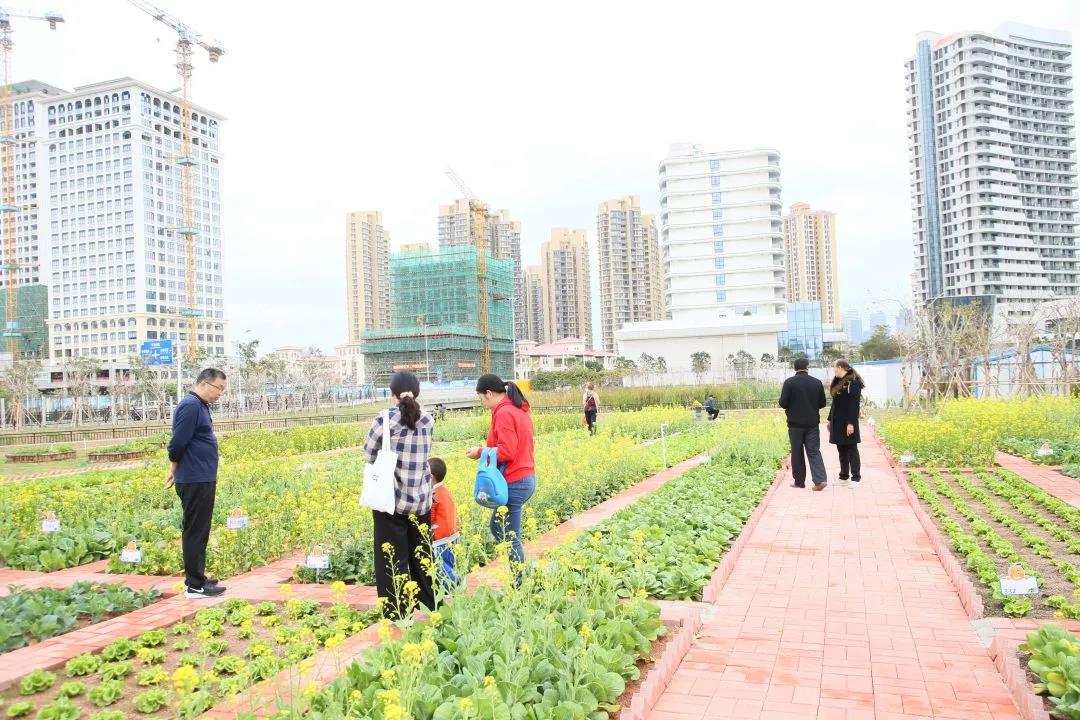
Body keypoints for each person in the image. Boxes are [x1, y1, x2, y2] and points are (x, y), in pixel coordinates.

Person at [364, 371, 436, 616]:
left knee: (392, 560)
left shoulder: (385, 419)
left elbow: (369, 453)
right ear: (417, 393)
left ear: (392, 393)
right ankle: (429, 606)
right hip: (421, 500)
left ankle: (398, 612)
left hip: (391, 500)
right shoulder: (428, 419)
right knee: (422, 556)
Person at [167, 368, 228, 599]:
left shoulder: (200, 406)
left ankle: (198, 578)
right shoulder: (191, 406)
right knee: (195, 530)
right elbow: (177, 442)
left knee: (201, 530)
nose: (220, 393)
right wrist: (173, 467)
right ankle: (194, 585)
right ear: (204, 384)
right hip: (194, 478)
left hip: (201, 476)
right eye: (218, 388)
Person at [466, 373, 536, 568]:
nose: (482, 403)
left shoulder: (504, 413)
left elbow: (507, 451)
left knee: (506, 534)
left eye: (481, 398)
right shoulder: (516, 408)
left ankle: (522, 578)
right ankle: (524, 573)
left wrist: (480, 452)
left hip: (515, 480)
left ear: (489, 393)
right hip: (524, 477)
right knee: (501, 529)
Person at [778, 358, 828, 490]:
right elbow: (822, 403)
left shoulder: (789, 382)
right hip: (812, 424)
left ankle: (799, 482)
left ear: (795, 368)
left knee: (797, 453)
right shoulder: (816, 382)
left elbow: (783, 403)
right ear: (807, 367)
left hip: (795, 425)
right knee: (814, 451)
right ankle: (820, 480)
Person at [828, 359, 864, 484]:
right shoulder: (839, 381)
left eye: (834, 367)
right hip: (837, 421)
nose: (833, 370)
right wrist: (830, 420)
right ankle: (844, 474)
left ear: (840, 367)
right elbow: (835, 404)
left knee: (851, 448)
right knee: (841, 448)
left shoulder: (853, 382)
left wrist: (851, 423)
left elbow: (854, 405)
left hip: (848, 421)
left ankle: (856, 476)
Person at [427, 457, 460, 590]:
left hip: (441, 538)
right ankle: (452, 587)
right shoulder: (445, 490)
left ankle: (455, 585)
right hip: (453, 534)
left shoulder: (433, 494)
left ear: (431, 477)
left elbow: (430, 517)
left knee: (441, 564)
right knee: (450, 563)